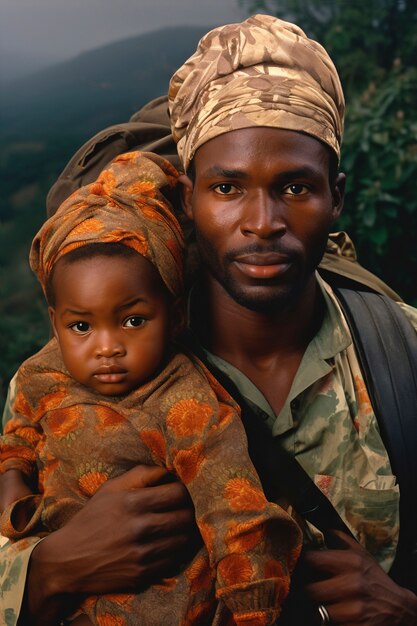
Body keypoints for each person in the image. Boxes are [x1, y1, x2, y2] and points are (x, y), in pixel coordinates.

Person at [1, 13, 417, 626]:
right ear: (188, 197)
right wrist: (48, 572)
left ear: (338, 197)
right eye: (227, 189)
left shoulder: (400, 352)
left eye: (296, 188)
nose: (262, 221)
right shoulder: (78, 374)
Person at [0, 149, 301, 626]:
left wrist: (252, 608)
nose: (107, 347)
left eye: (134, 320)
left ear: (175, 316)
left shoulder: (184, 403)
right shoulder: (44, 372)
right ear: (56, 324)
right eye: (82, 326)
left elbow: (235, 516)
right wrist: (12, 483)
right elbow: (20, 429)